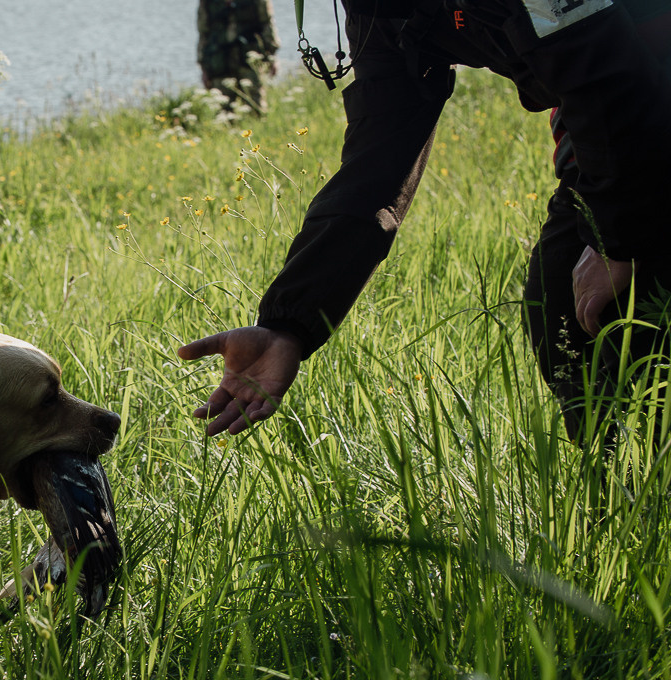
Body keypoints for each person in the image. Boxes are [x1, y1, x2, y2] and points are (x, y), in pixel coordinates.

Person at [179, 0, 671, 444]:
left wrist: (617, 240)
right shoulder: (379, 9)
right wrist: (288, 326)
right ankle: (625, 508)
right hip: (620, 106)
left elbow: (602, 66)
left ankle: (641, 503)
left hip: (639, 93)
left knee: (622, 304)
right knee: (565, 304)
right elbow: (382, 152)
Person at [198, 0, 281, 113]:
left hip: (250, 62)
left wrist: (272, 57)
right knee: (223, 113)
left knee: (256, 110)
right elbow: (204, 33)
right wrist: (203, 68)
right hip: (220, 63)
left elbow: (267, 23)